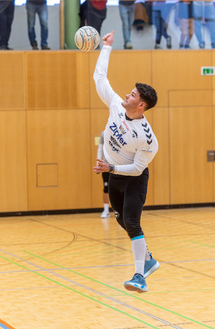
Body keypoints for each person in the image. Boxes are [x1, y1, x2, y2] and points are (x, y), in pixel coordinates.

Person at [93, 31, 160, 293]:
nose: (126, 94)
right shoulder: (116, 106)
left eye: (131, 94)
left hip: (133, 178)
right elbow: (100, 78)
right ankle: (149, 259)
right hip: (114, 176)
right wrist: (107, 47)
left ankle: (139, 275)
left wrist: (111, 168)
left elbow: (137, 168)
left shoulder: (147, 138)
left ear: (141, 105)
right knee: (122, 220)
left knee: (132, 222)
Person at [97, 131, 110, 218]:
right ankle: (106, 210)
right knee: (106, 188)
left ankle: (121, 211)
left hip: (119, 167)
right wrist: (97, 165)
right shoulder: (104, 133)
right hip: (106, 167)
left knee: (121, 189)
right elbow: (100, 149)